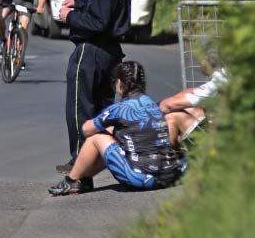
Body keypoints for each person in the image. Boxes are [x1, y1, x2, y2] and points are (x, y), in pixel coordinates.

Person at [49, 61, 184, 196]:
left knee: (97, 138)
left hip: (141, 179)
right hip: (169, 175)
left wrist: (107, 126)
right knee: (116, 135)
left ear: (119, 83)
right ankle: (83, 179)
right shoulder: (151, 104)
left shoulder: (119, 109)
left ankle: (71, 180)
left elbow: (86, 129)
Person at [56, 0, 131, 173]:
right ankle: (103, 155)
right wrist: (76, 2)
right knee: (103, 108)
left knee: (80, 107)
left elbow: (97, 22)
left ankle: (81, 160)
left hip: (91, 51)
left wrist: (70, 17)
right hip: (111, 54)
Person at [161, 41, 228, 146]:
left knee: (172, 117)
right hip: (222, 123)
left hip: (221, 133)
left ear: (206, 62)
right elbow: (192, 93)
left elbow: (168, 105)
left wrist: (153, 110)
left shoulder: (219, 80)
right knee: (188, 103)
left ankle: (171, 158)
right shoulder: (225, 74)